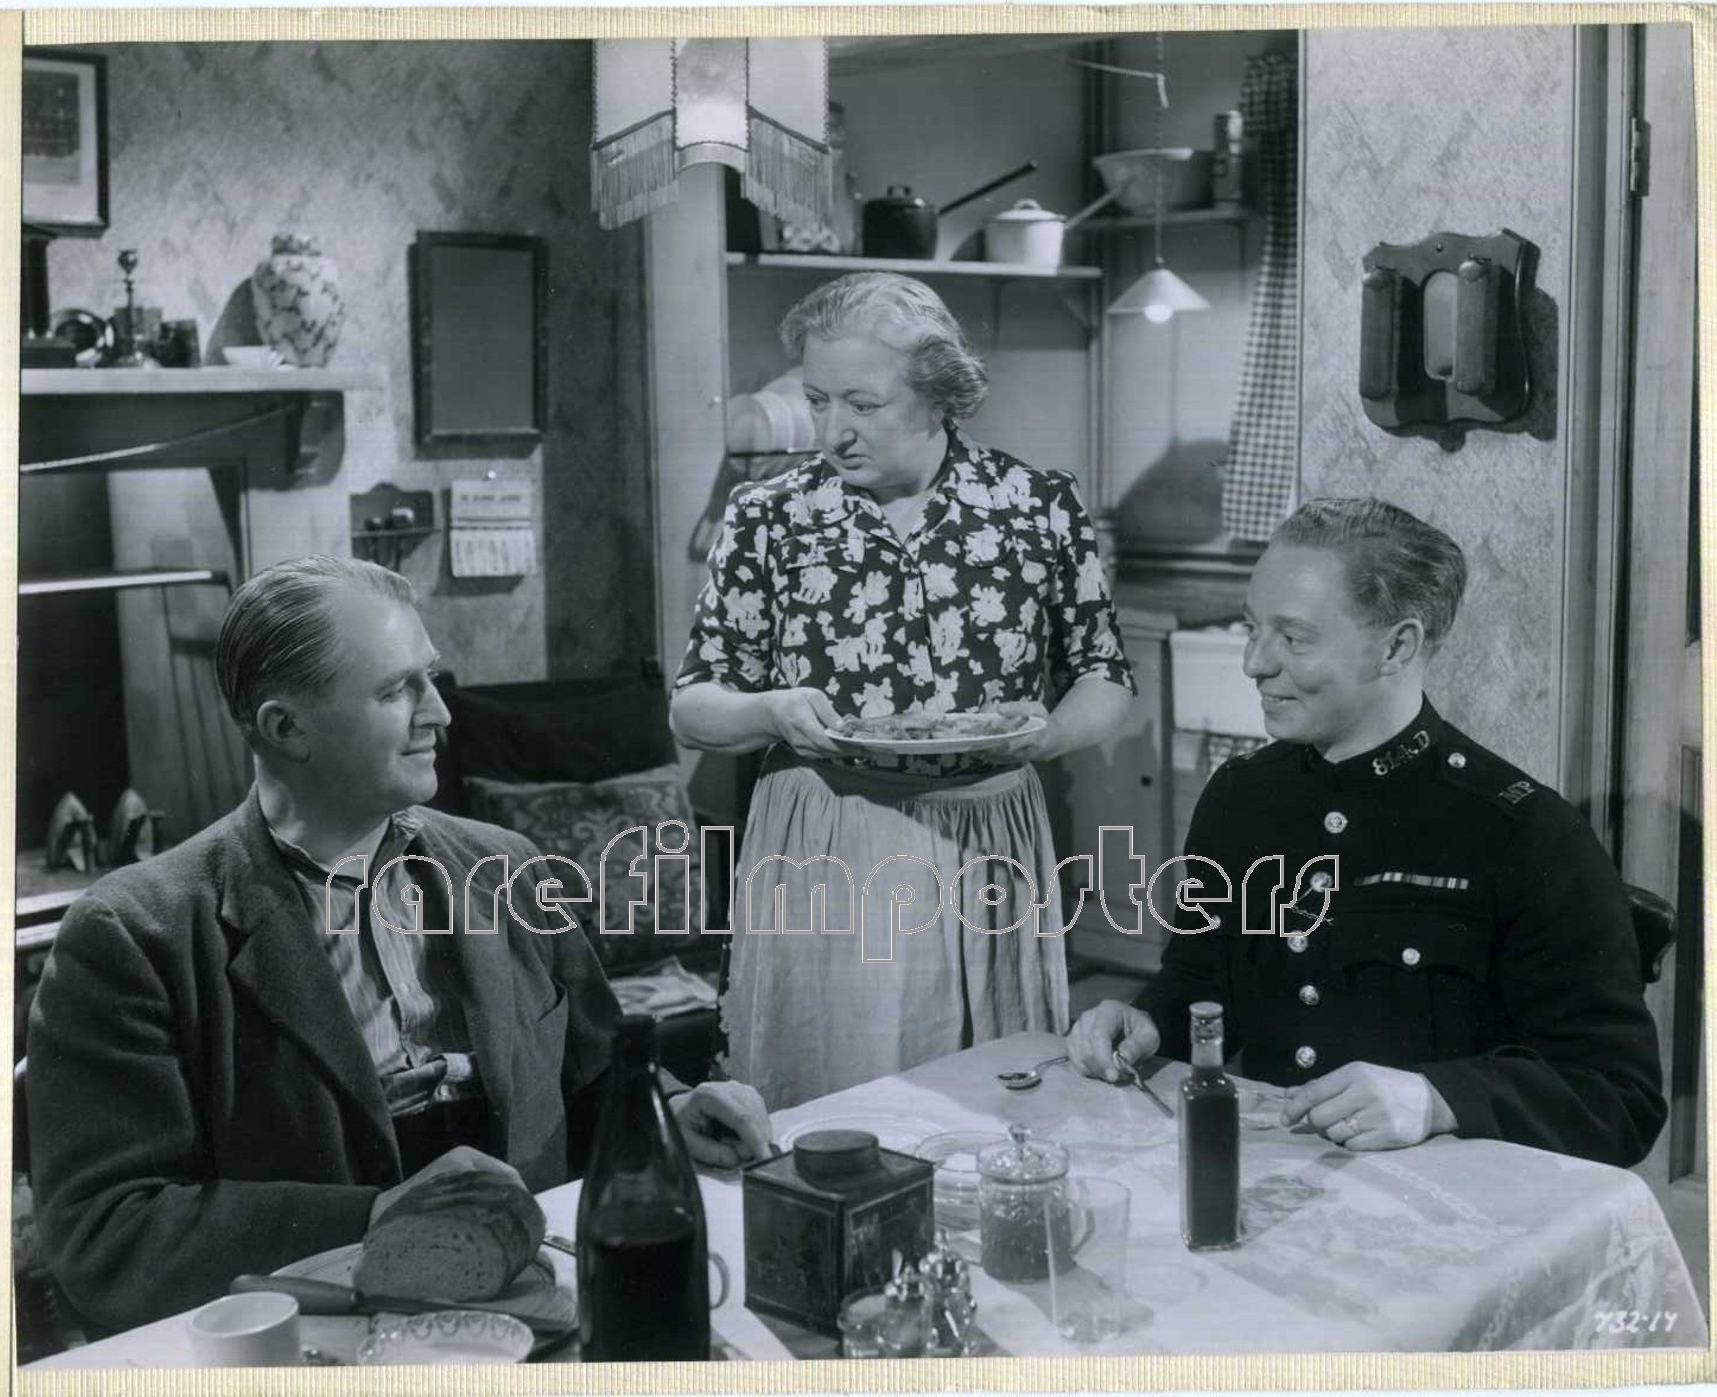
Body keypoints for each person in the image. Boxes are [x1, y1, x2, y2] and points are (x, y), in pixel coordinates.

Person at [27, 556, 771, 1334]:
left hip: (529, 1307)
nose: (440, 713)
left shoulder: (507, 866)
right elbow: (106, 1233)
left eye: (431, 678)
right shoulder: (132, 933)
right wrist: (373, 1216)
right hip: (322, 1337)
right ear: (286, 728)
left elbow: (596, 1074)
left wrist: (669, 1111)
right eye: (395, 691)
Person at [1066, 498, 1665, 1167]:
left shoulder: (1524, 831)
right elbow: (1201, 980)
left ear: (1396, 647)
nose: (1254, 663)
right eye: (1252, 627)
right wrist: (1150, 1019)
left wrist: (1439, 1099)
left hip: (1450, 1199)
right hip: (1278, 1175)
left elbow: (1621, 1097)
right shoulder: (1240, 798)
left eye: (1294, 638)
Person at [672, 272, 1136, 1110]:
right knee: (831, 1101)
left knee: (990, 1099)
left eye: (863, 403)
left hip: (988, 833)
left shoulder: (1035, 505)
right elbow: (694, 702)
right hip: (828, 832)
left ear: (938, 391)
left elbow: (1104, 673)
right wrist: (772, 710)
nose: (833, 432)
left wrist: (1046, 734)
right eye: (818, 401)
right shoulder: (768, 516)